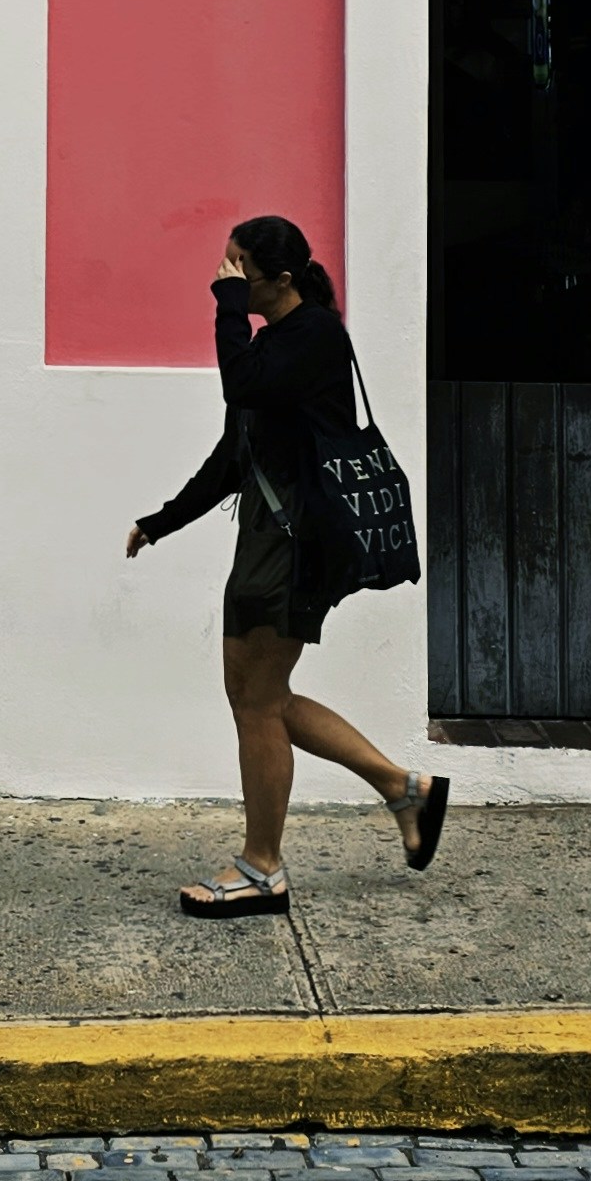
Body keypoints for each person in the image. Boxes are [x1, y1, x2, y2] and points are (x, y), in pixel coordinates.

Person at [127, 216, 448, 915]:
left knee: (257, 702)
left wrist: (225, 309)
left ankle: (261, 867)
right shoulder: (276, 343)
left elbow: (238, 386)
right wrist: (160, 523)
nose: (225, 276)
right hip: (263, 540)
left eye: (238, 268)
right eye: (225, 264)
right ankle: (403, 789)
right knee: (257, 699)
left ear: (276, 279)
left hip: (298, 544)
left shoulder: (314, 339)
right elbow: (232, 456)